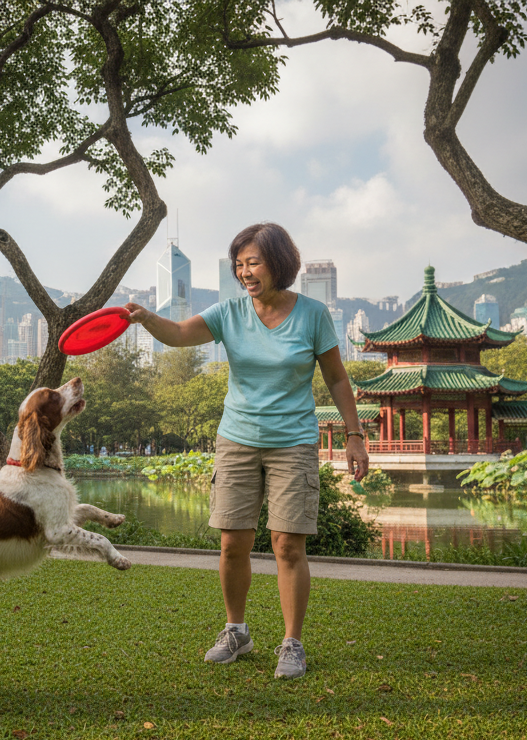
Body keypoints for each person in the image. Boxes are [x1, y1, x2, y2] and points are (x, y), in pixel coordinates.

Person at [125, 222, 370, 679]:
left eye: (253, 262)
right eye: (239, 265)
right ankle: (236, 631)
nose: (245, 272)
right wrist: (146, 318)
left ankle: (292, 643)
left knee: (287, 545)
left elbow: (337, 378)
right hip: (236, 439)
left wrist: (355, 436)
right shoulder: (229, 313)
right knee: (232, 542)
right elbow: (179, 333)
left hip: (292, 442)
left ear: (279, 262)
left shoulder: (313, 315)